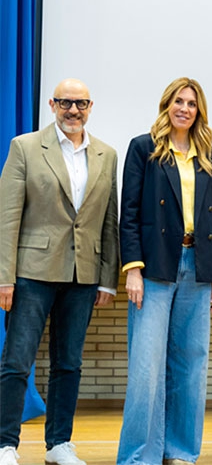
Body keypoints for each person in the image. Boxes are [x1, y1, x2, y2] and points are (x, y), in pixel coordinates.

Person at [0, 78, 119, 465]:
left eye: (81, 103)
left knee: (69, 363)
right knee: (17, 362)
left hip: (82, 276)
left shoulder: (106, 154)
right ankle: (5, 444)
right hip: (31, 273)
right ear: (52, 105)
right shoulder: (26, 147)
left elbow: (108, 222)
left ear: (90, 106)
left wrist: (107, 278)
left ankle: (59, 445)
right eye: (65, 102)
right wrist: (4, 276)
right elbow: (8, 217)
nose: (73, 110)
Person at [116, 77, 212, 465]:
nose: (184, 108)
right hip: (155, 267)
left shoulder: (206, 153)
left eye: (192, 103)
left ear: (199, 111)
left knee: (191, 364)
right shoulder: (143, 148)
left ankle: (179, 451)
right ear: (166, 105)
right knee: (146, 367)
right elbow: (128, 213)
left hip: (198, 266)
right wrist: (132, 269)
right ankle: (139, 456)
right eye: (178, 101)